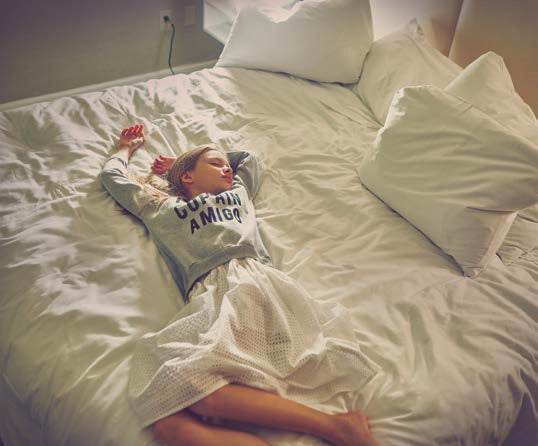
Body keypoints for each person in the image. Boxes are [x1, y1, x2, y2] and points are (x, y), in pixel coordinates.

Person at [100, 124, 380, 446]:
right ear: (187, 177)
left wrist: (180, 160)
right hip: (210, 289)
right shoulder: (162, 209)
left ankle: (336, 428)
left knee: (189, 379)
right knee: (169, 427)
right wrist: (125, 148)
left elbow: (248, 160)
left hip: (250, 281)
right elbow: (114, 179)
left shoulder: (238, 193)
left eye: (226, 165)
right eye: (216, 164)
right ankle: (333, 429)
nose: (227, 169)